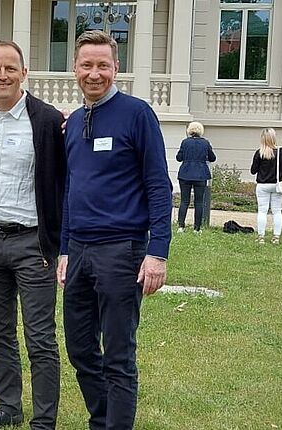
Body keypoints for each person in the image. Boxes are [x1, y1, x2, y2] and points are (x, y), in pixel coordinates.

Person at [56, 30, 172, 430]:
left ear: (116, 68)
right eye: (86, 65)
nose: (94, 73)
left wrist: (157, 252)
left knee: (119, 355)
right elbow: (72, 187)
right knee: (81, 349)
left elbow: (159, 185)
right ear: (74, 68)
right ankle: (102, 421)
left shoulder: (137, 114)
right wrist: (65, 249)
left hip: (122, 251)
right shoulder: (72, 123)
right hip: (79, 251)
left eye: (102, 65)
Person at [0, 41, 65, 430]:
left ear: (25, 72)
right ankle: (8, 406)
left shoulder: (48, 121)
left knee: (40, 336)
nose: (2, 75)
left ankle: (44, 420)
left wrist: (57, 241)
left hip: (32, 243)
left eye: (10, 68)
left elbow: (64, 181)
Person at [250, 128, 282, 244]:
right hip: (277, 185)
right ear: (274, 137)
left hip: (263, 185)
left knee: (262, 211)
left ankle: (261, 237)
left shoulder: (259, 152)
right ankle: (276, 236)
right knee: (277, 211)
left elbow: (253, 171)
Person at [175, 121, 216, 233]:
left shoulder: (185, 142)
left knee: (184, 201)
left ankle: (181, 226)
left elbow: (179, 157)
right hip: (200, 174)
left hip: (185, 173)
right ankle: (197, 228)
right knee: (199, 202)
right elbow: (212, 158)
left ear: (190, 130)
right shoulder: (205, 143)